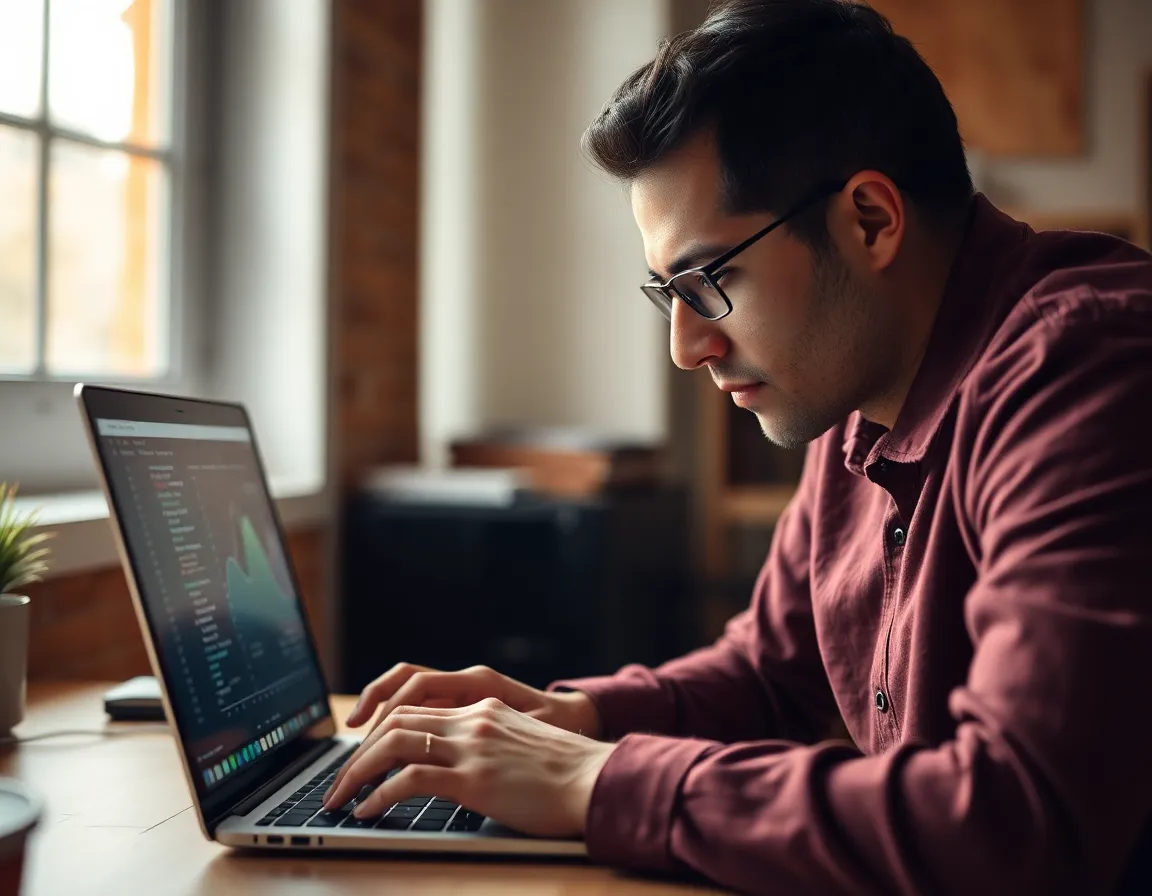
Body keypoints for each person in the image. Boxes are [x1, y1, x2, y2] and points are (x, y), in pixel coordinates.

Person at [323, 0, 1152, 891]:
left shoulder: (1091, 370)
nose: (686, 346)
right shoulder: (862, 401)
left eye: (709, 279)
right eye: (665, 291)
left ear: (870, 220)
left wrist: (594, 779)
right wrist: (572, 718)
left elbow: (1020, 818)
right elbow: (771, 671)